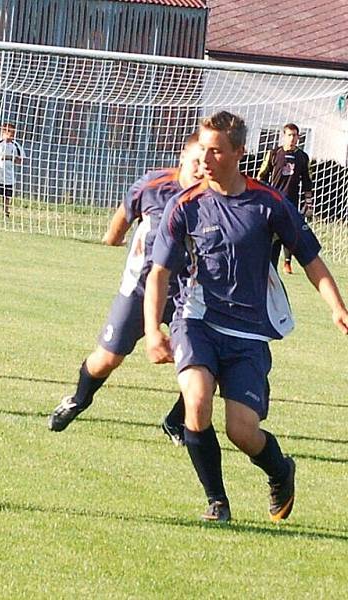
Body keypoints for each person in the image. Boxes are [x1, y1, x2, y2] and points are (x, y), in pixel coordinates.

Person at [144, 111, 348, 523]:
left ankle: (279, 470)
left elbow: (311, 259)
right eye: (202, 148)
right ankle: (217, 502)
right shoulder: (185, 205)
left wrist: (337, 307)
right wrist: (153, 331)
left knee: (242, 430)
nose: (206, 157)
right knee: (196, 403)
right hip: (195, 320)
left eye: (216, 150)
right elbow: (160, 273)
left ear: (239, 152)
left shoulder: (268, 204)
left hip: (248, 334)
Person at [48, 133, 202, 444]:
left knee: (205, 363)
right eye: (197, 159)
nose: (203, 167)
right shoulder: (154, 184)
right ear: (182, 158)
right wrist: (113, 237)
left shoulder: (215, 196)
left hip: (190, 294)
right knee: (107, 358)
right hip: (140, 289)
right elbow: (125, 212)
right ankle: (78, 399)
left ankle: (175, 422)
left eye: (209, 159)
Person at [257, 123, 314, 274]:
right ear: (283, 136)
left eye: (295, 135)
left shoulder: (302, 157)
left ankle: (287, 262)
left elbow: (307, 182)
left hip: (291, 202)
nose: (292, 139)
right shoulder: (274, 153)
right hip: (273, 201)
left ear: (298, 137)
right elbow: (262, 176)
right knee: (270, 234)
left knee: (289, 234)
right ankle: (270, 265)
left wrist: (309, 203)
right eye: (289, 135)